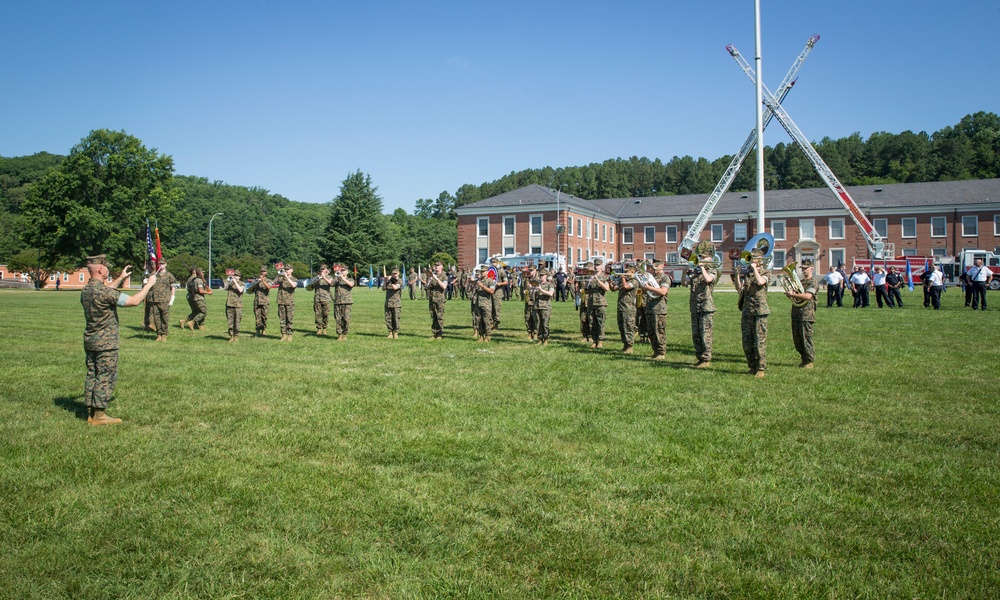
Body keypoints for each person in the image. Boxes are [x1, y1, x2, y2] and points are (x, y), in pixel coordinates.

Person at [81, 255, 157, 425]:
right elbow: (134, 301)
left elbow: (108, 292)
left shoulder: (87, 290)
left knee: (92, 374)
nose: (108, 269)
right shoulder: (104, 292)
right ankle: (99, 415)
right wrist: (149, 285)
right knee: (105, 376)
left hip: (91, 340)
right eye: (106, 266)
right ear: (100, 269)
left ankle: (90, 411)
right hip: (106, 343)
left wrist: (121, 278)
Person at [739, 249, 770, 378]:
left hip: (759, 311)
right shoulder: (748, 274)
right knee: (747, 341)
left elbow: (761, 282)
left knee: (759, 341)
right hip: (747, 310)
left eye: (754, 258)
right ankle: (751, 365)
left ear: (760, 260)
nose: (752, 260)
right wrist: (737, 276)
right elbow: (739, 289)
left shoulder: (766, 272)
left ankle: (761, 368)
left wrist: (755, 270)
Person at [688, 246, 718, 368]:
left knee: (705, 333)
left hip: (706, 306)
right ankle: (699, 357)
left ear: (710, 258)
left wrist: (702, 268)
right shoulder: (696, 272)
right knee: (696, 334)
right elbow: (685, 283)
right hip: (695, 306)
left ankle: (706, 359)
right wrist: (687, 270)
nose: (701, 259)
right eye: (700, 257)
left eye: (704, 257)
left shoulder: (713, 270)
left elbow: (708, 279)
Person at [785, 259, 818, 369]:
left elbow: (808, 296)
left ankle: (809, 361)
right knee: (797, 338)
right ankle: (803, 359)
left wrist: (793, 295)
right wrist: (791, 293)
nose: (803, 270)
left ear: (811, 269)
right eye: (802, 268)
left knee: (806, 338)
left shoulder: (812, 282)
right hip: (796, 313)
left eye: (805, 268)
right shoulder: (801, 282)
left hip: (806, 314)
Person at [642, 261, 671, 361]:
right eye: (653, 266)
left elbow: (663, 291)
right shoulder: (651, 277)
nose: (654, 268)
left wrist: (648, 287)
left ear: (662, 266)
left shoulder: (665, 278)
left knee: (659, 331)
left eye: (657, 266)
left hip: (659, 308)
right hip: (649, 307)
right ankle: (655, 352)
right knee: (651, 332)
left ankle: (661, 352)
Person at [147, 261, 177, 342]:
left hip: (165, 299)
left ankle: (164, 334)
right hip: (154, 299)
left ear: (166, 264)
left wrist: (172, 298)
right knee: (156, 318)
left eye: (162, 264)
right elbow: (149, 286)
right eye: (159, 264)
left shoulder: (169, 275)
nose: (161, 265)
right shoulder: (154, 275)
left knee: (164, 318)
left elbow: (173, 287)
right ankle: (159, 334)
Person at [611, 263, 638, 355]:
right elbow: (614, 289)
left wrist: (622, 278)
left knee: (628, 327)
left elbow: (626, 287)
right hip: (621, 307)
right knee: (622, 327)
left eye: (627, 272)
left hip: (629, 308)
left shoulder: (634, 281)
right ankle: (625, 345)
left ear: (633, 272)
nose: (625, 273)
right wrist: (611, 283)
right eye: (625, 272)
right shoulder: (624, 281)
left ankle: (630, 346)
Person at [586, 260, 611, 349]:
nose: (596, 267)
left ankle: (600, 341)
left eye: (598, 265)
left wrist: (598, 280)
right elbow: (586, 289)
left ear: (601, 266)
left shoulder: (604, 277)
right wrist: (587, 282)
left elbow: (606, 288)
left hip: (600, 303)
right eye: (595, 265)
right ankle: (594, 340)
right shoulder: (591, 276)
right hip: (591, 302)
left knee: (600, 322)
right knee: (592, 323)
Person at [307, 264, 334, 335]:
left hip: (326, 298)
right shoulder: (316, 278)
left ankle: (324, 328)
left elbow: (331, 283)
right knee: (317, 314)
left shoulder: (329, 277)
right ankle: (319, 328)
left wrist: (324, 277)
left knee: (326, 314)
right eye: (321, 269)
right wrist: (315, 280)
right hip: (317, 298)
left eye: (323, 269)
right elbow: (309, 288)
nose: (322, 270)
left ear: (326, 270)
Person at [331, 264, 355, 340]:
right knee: (338, 319)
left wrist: (343, 278)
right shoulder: (337, 279)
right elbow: (331, 284)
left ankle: (345, 334)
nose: (341, 271)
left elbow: (351, 285)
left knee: (346, 319)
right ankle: (339, 334)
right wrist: (336, 276)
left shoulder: (350, 279)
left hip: (347, 302)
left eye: (343, 270)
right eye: (341, 270)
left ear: (347, 272)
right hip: (337, 302)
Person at [473, 266, 496, 342]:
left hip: (486, 304)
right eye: (481, 271)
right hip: (478, 303)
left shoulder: (490, 281)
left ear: (487, 272)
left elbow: (492, 291)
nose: (482, 273)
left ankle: (487, 336)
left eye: (483, 271)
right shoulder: (478, 281)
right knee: (479, 320)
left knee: (486, 320)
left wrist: (482, 286)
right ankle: (481, 335)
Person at [427, 261, 448, 339]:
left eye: (438, 266)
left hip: (439, 299)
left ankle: (440, 333)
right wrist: (430, 279)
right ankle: (434, 333)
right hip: (432, 298)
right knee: (433, 316)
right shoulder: (432, 276)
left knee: (439, 316)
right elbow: (427, 287)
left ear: (442, 267)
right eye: (435, 266)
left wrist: (436, 279)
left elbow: (444, 286)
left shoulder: (444, 276)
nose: (436, 267)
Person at [248, 266, 272, 337]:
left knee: (264, 316)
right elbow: (250, 291)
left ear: (266, 272)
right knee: (257, 316)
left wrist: (263, 281)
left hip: (265, 301)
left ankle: (264, 330)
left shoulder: (268, 280)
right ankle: (258, 330)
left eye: (264, 271)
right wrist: (254, 283)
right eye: (261, 271)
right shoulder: (256, 281)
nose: (262, 272)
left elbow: (269, 287)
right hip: (257, 301)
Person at [276, 265, 298, 341]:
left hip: (289, 302)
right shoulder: (281, 278)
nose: (286, 271)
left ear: (292, 270)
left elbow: (293, 285)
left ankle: (289, 335)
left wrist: (287, 277)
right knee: (282, 319)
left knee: (289, 319)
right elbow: (273, 282)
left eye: (288, 269)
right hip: (281, 300)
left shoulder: (294, 279)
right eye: (285, 269)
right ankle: (283, 335)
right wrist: (280, 274)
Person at [534, 271, 555, 345]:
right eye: (540, 275)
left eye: (543, 275)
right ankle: (540, 338)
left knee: (545, 324)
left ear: (546, 276)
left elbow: (550, 293)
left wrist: (541, 289)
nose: (541, 276)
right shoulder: (537, 284)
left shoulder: (550, 284)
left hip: (546, 306)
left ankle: (546, 339)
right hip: (537, 306)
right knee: (538, 323)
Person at [223, 270, 244, 342]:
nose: (235, 277)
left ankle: (236, 335)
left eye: (237, 275)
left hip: (238, 305)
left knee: (237, 321)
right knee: (230, 321)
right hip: (229, 304)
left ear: (239, 277)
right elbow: (225, 288)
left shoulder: (242, 283)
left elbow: (241, 290)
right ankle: (231, 335)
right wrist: (229, 281)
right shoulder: (230, 283)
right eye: (234, 275)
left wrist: (235, 282)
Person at [489, 258, 508, 330]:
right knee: (490, 308)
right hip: (490, 291)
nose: (493, 264)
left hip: (498, 292)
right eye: (492, 262)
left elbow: (506, 282)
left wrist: (500, 283)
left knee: (496, 308)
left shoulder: (501, 271)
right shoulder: (489, 271)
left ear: (497, 263)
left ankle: (496, 324)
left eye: (495, 262)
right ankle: (490, 324)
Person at [384, 268, 403, 338]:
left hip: (396, 303)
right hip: (388, 302)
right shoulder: (389, 281)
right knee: (388, 318)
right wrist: (385, 281)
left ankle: (396, 333)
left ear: (398, 273)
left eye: (395, 273)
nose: (394, 275)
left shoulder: (400, 281)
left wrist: (391, 280)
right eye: (393, 273)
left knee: (396, 318)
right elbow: (383, 288)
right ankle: (390, 332)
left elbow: (395, 287)